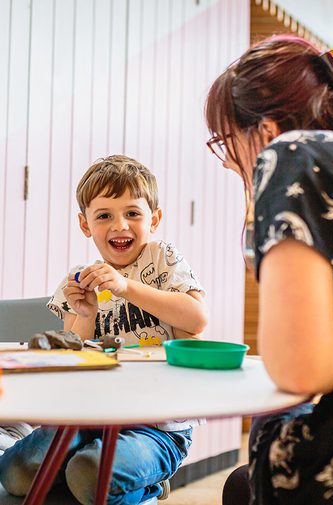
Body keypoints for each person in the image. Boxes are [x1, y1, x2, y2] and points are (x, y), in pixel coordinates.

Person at [205, 35, 333, 504]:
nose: (230, 160)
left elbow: (303, 371)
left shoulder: (291, 153)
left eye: (225, 140)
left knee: (249, 474)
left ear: (266, 129)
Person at [0, 154, 208, 504]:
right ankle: (92, 475)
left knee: (90, 474)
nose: (120, 226)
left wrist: (127, 288)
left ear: (154, 219)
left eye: (132, 214)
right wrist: (84, 312)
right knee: (13, 473)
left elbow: (196, 318)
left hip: (156, 427)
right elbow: (69, 359)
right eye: (104, 216)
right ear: (86, 225)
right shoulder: (80, 278)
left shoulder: (163, 258)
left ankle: (144, 484)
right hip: (86, 417)